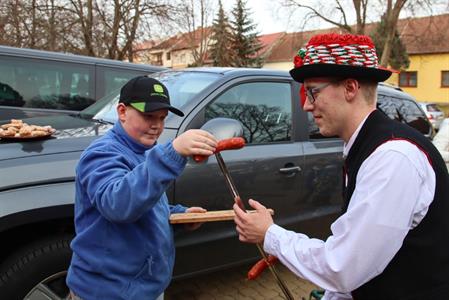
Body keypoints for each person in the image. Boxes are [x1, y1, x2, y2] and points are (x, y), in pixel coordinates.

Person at [233, 33, 449, 300]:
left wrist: (270, 234)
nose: (306, 105)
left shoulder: (392, 157)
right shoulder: (364, 147)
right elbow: (354, 272)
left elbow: (343, 266)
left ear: (350, 88)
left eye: (313, 91)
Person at [66, 75, 217, 299]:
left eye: (162, 118)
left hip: (145, 288)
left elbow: (146, 203)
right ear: (122, 112)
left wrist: (179, 215)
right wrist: (172, 152)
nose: (156, 125)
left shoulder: (144, 151)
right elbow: (117, 204)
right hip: (108, 292)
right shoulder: (102, 153)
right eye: (148, 116)